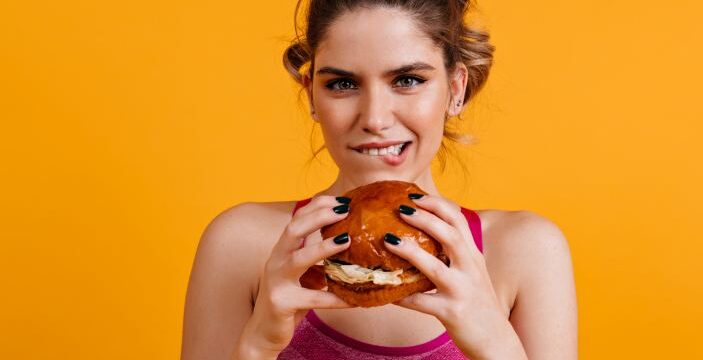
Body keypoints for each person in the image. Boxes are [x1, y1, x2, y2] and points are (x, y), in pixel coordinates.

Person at [181, 0, 577, 359]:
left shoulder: (525, 252)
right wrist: (257, 346)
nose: (374, 118)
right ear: (312, 97)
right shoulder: (242, 245)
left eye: (407, 80)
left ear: (456, 89)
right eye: (342, 84)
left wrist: (498, 346)